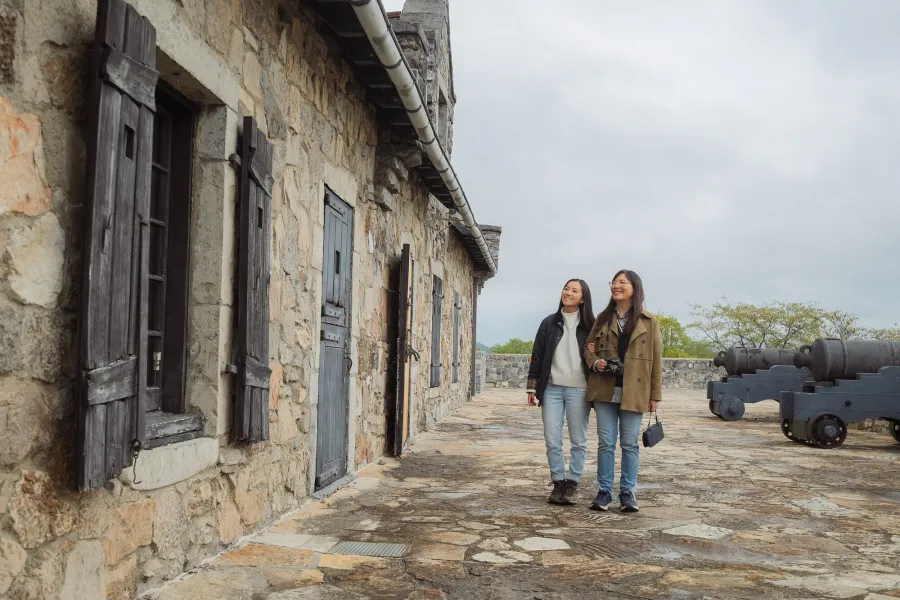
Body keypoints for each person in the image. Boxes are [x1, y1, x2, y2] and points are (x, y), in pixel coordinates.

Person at [583, 270, 661, 513]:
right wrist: (595, 362)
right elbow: (588, 348)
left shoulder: (649, 321)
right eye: (614, 282)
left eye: (622, 282)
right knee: (606, 443)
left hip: (635, 390)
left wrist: (654, 395)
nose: (616, 286)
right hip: (605, 388)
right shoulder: (603, 318)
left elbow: (657, 360)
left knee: (629, 444)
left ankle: (627, 493)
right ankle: (604, 491)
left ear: (634, 288)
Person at [526, 279, 595, 505]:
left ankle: (572, 483)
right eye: (566, 288)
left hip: (580, 389)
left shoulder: (591, 326)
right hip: (552, 389)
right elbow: (537, 356)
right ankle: (558, 482)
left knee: (578, 439)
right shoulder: (549, 323)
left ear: (583, 298)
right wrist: (532, 387)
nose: (568, 292)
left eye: (575, 290)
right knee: (552, 438)